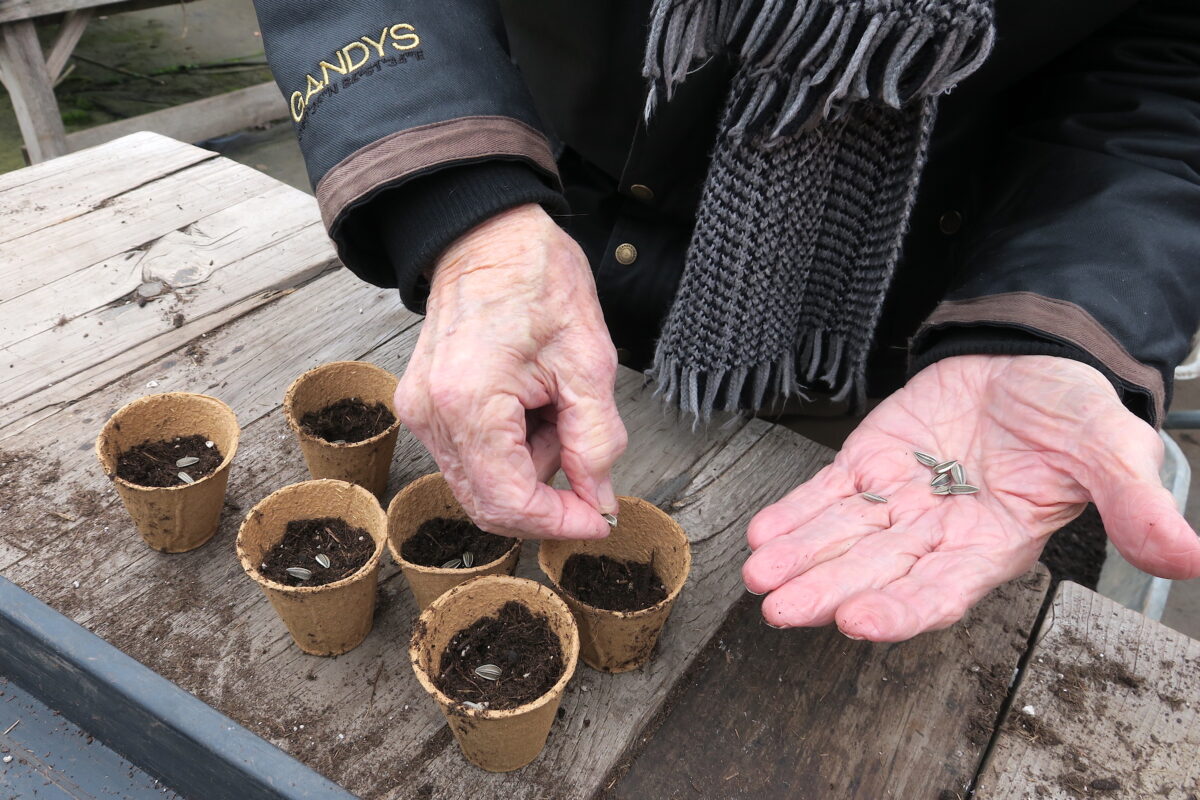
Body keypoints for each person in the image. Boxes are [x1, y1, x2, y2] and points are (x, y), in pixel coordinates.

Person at [252, 0, 1200, 641]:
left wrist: (1057, 322)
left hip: (890, 344)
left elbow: (1168, 70)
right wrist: (464, 207)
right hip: (540, 202)